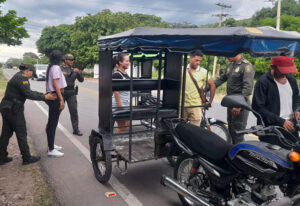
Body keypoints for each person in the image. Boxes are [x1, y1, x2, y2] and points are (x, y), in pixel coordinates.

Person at [0, 64, 57, 165]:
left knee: (6, 133)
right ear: (27, 71)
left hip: (7, 107)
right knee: (21, 132)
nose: (32, 76)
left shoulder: (18, 76)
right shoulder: (22, 79)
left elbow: (28, 92)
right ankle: (26, 157)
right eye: (32, 74)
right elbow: (29, 94)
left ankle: (2, 157)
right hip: (13, 109)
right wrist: (45, 97)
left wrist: (43, 95)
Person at [214, 54, 255, 144]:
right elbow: (221, 79)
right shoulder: (230, 65)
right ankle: (232, 154)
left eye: (231, 52)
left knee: (238, 134)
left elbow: (247, 88)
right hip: (231, 102)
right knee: (231, 130)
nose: (227, 55)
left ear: (239, 53)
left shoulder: (247, 66)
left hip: (240, 105)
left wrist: (238, 105)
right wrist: (206, 88)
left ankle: (241, 155)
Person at [252, 56, 300, 131]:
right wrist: (280, 121)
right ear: (273, 67)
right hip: (271, 128)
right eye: (282, 71)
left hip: (291, 125)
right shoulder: (263, 82)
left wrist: (297, 111)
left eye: (287, 71)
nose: (285, 74)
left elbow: (297, 98)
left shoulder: (292, 80)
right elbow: (258, 108)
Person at [183, 50, 216, 126]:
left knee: (195, 130)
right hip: (182, 105)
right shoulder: (182, 70)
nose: (198, 63)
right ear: (190, 58)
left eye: (200, 61)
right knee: (179, 128)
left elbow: (212, 85)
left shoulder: (203, 71)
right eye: (196, 60)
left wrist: (210, 101)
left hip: (196, 106)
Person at [45, 50, 67, 158]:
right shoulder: (56, 68)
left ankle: (51, 145)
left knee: (51, 122)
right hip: (55, 96)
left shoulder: (51, 67)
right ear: (59, 58)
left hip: (52, 95)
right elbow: (55, 83)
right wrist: (61, 99)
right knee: (53, 123)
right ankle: (51, 149)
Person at [61, 54, 84, 136]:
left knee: (74, 111)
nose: (72, 61)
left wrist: (79, 73)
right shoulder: (60, 69)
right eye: (70, 60)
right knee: (57, 111)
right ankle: (51, 126)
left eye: (72, 60)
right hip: (62, 92)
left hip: (71, 93)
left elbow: (81, 80)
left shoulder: (75, 70)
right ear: (65, 60)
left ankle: (76, 129)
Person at [112, 54, 130, 133]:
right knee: (122, 127)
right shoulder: (116, 75)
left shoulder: (126, 74)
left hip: (125, 103)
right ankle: (113, 142)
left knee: (126, 125)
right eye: (127, 61)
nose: (128, 62)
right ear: (120, 62)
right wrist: (120, 108)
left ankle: (116, 141)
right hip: (119, 104)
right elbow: (116, 92)